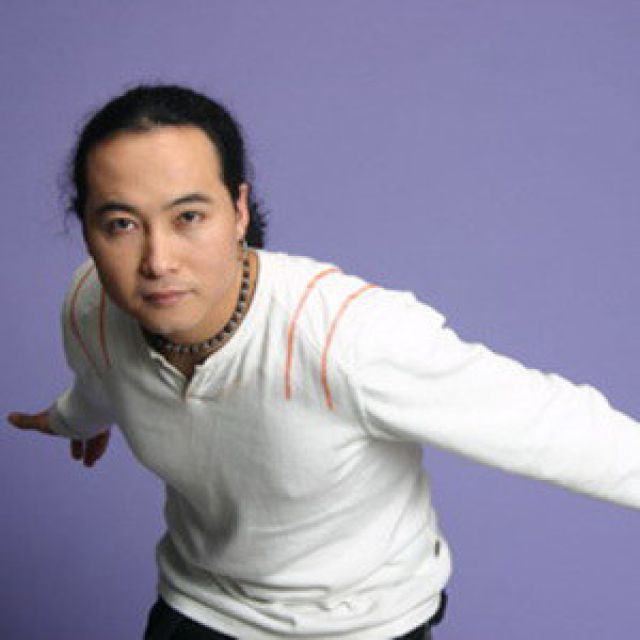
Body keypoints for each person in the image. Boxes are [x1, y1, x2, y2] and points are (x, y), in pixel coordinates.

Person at [7, 84, 640, 640]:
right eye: (121, 224)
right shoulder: (92, 306)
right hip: (202, 604)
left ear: (238, 211)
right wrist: (71, 420)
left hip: (361, 622)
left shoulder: (346, 337)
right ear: (87, 231)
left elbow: (552, 425)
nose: (157, 261)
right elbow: (101, 381)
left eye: (189, 216)